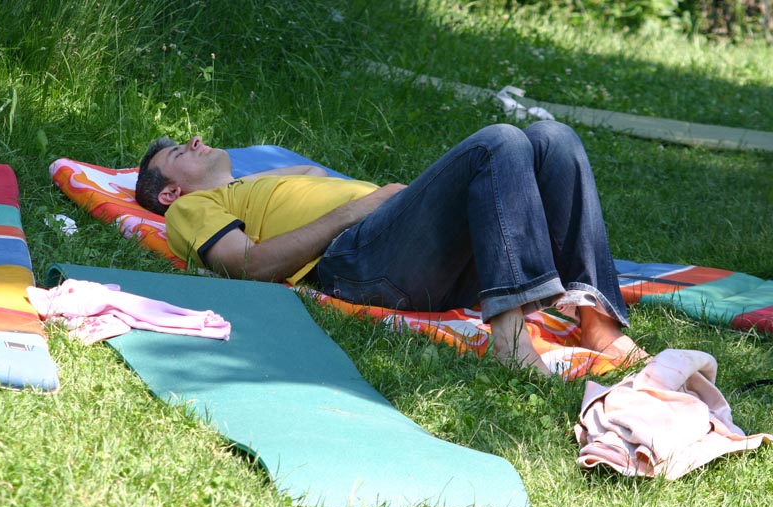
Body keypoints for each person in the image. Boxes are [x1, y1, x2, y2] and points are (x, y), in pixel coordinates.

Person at [135, 121, 647, 374]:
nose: (195, 141)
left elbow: (309, 176)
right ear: (170, 193)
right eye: (180, 151)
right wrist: (361, 208)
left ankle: (598, 324)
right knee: (500, 141)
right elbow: (246, 265)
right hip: (356, 263)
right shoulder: (192, 209)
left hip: (424, 256)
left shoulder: (258, 182)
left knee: (553, 137)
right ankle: (510, 340)